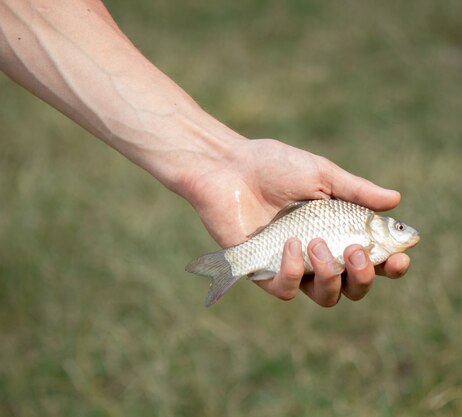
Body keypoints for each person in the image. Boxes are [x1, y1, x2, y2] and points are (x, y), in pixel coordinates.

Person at [0, 0, 411, 307]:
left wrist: (221, 161)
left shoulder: (356, 220)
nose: (403, 233)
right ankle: (238, 260)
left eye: (399, 230)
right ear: (378, 225)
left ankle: (241, 258)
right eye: (396, 229)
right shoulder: (364, 221)